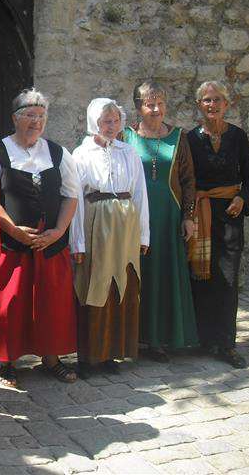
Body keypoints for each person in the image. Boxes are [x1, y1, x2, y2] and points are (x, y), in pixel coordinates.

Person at [0, 89, 82, 385]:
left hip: (51, 244)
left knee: (51, 302)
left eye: (41, 116)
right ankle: (6, 361)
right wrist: (14, 230)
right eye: (30, 115)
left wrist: (58, 232)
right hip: (13, 243)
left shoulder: (57, 152)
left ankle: (51, 358)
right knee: (11, 303)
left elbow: (71, 195)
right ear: (15, 118)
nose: (36, 122)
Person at [70, 98, 149, 376]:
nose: (111, 126)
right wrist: (77, 241)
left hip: (126, 227)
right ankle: (90, 355)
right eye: (106, 121)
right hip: (96, 224)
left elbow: (140, 193)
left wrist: (144, 234)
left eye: (115, 120)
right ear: (94, 122)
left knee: (122, 284)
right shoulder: (81, 154)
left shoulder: (129, 152)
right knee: (95, 284)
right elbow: (76, 199)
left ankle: (111, 353)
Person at [125, 81, 198, 362]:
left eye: (160, 103)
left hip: (168, 218)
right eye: (149, 103)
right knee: (137, 274)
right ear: (138, 107)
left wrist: (188, 217)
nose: (155, 109)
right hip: (135, 219)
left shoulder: (179, 137)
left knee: (163, 276)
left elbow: (189, 180)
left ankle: (159, 340)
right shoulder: (127, 136)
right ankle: (132, 337)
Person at [186, 80, 249, 368]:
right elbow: (186, 181)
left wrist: (242, 198)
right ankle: (205, 340)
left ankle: (226, 344)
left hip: (230, 215)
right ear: (199, 105)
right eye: (206, 100)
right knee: (201, 276)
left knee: (228, 279)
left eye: (217, 100)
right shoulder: (191, 139)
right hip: (201, 215)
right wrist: (188, 214)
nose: (212, 105)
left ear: (227, 104)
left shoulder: (238, 137)